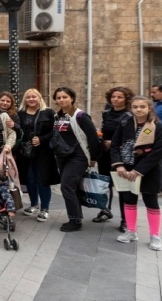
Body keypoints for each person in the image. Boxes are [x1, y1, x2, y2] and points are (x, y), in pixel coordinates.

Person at [112, 96, 162, 250]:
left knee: (151, 202)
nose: (138, 109)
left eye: (142, 106)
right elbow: (115, 145)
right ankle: (131, 231)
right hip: (127, 169)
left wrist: (139, 170)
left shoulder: (158, 126)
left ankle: (155, 236)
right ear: (131, 108)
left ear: (149, 108)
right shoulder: (124, 124)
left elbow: (158, 152)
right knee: (129, 200)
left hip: (149, 170)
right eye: (135, 107)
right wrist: (119, 165)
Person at [51, 87, 100, 232]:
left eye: (65, 97)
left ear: (72, 98)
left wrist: (93, 158)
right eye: (58, 97)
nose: (61, 100)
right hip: (62, 156)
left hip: (78, 156)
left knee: (66, 186)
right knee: (72, 187)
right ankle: (76, 217)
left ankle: (75, 221)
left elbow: (93, 138)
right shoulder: (57, 116)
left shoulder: (80, 116)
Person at [93, 87, 134, 229]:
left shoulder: (129, 115)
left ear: (126, 99)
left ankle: (125, 219)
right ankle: (105, 210)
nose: (115, 99)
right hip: (105, 153)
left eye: (119, 97)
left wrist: (115, 142)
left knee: (122, 187)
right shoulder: (107, 113)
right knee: (105, 183)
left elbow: (131, 136)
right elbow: (104, 131)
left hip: (121, 155)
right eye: (113, 97)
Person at [17, 88, 58, 223]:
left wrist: (42, 139)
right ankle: (34, 204)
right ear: (25, 100)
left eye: (34, 97)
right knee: (30, 179)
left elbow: (55, 131)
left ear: (39, 98)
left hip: (43, 152)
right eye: (28, 97)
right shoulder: (21, 114)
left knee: (43, 180)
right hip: (26, 152)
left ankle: (44, 209)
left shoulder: (48, 113)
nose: (31, 99)